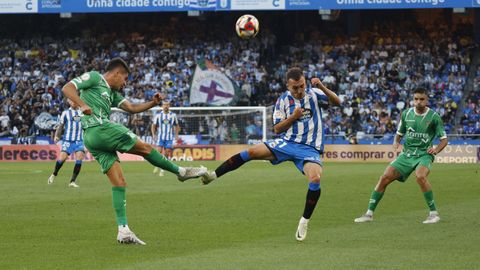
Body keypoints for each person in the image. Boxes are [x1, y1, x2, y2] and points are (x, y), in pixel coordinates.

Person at [61, 58, 207, 245]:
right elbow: (67, 88)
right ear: (116, 73)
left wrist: (152, 103)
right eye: (125, 78)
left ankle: (123, 230)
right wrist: (82, 104)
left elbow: (131, 108)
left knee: (119, 183)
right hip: (99, 128)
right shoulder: (95, 78)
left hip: (93, 139)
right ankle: (181, 172)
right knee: (145, 148)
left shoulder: (111, 93)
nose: (125, 83)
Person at [201, 67, 341, 241]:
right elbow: (277, 128)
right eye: (295, 88)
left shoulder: (315, 93)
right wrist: (293, 117)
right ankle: (212, 175)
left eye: (301, 86)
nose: (299, 91)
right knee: (251, 151)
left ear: (305, 82)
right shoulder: (282, 100)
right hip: (287, 143)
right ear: (287, 86)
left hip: (309, 148)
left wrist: (322, 86)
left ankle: (304, 220)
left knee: (315, 179)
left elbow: (337, 102)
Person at [354, 88, 448, 224]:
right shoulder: (406, 114)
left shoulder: (434, 117)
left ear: (427, 100)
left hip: (423, 155)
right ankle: (369, 214)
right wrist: (396, 142)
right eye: (416, 99)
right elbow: (400, 132)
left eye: (422, 99)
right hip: (407, 155)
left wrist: (436, 150)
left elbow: (444, 140)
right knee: (384, 177)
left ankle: (434, 214)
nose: (418, 102)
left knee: (420, 176)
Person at [47, 99, 85, 188]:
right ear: (69, 102)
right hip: (67, 140)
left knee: (79, 158)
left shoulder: (82, 112)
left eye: (75, 101)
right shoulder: (66, 113)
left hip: (79, 140)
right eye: (72, 101)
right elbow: (61, 126)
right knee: (61, 159)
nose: (74, 102)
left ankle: (72, 181)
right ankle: (54, 174)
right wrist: (57, 136)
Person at [151, 100, 179, 176]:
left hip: (169, 138)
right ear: (162, 106)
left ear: (169, 106)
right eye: (164, 105)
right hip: (160, 137)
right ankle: (157, 165)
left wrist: (176, 134)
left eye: (167, 105)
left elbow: (177, 125)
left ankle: (162, 170)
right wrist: (154, 134)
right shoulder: (158, 115)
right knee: (158, 152)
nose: (166, 106)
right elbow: (153, 125)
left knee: (167, 153)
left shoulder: (173, 115)